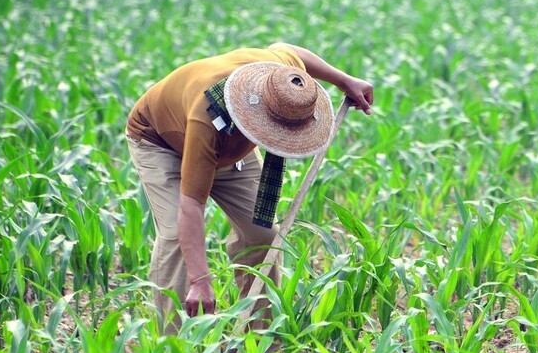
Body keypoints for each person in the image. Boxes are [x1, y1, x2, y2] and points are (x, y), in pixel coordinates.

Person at [126, 43, 372, 334]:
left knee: (263, 234)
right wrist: (200, 280)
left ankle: (261, 342)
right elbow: (190, 206)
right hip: (161, 141)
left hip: (230, 145)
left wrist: (345, 81)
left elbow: (288, 48)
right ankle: (174, 352)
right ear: (255, 114)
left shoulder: (280, 77)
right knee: (175, 238)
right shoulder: (206, 120)